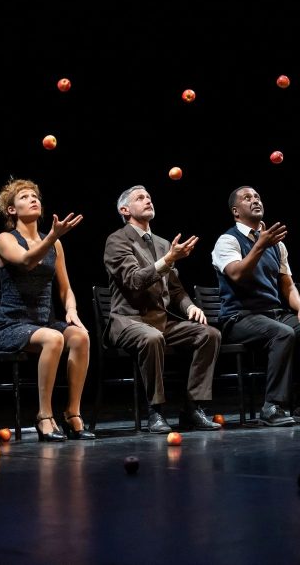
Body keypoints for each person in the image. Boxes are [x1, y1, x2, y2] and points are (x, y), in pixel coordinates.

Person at [212, 186, 300, 427]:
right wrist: (259, 245)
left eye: (257, 196)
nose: (255, 200)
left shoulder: (276, 245)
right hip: (239, 317)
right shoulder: (227, 240)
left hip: (272, 314)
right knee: (282, 334)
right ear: (236, 211)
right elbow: (236, 274)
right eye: (247, 198)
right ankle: (273, 406)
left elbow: (286, 283)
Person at [104, 185, 222, 433]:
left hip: (160, 320)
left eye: (149, 196)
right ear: (125, 210)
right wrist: (168, 260)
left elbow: (176, 289)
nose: (148, 200)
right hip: (128, 320)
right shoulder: (117, 240)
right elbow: (134, 280)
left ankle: (193, 408)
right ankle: (155, 411)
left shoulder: (162, 243)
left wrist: (190, 307)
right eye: (140, 198)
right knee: (152, 337)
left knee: (209, 334)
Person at [0, 179, 94, 441]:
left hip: (43, 323)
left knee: (80, 337)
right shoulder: (5, 239)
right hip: (11, 324)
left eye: (35, 196)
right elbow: (26, 261)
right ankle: (44, 416)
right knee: (54, 337)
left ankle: (72, 413)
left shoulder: (54, 244)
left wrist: (71, 310)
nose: (33, 199)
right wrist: (53, 236)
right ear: (12, 210)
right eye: (24, 197)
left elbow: (65, 288)